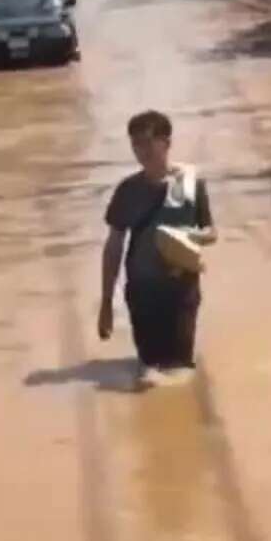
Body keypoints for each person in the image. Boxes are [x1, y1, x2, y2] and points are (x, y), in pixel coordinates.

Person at [98, 110, 217, 389]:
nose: (141, 150)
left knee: (181, 369)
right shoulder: (128, 191)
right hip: (143, 291)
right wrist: (106, 303)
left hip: (182, 287)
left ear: (166, 142)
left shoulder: (189, 183)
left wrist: (188, 238)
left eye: (147, 142)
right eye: (135, 144)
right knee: (150, 369)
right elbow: (114, 246)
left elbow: (211, 231)